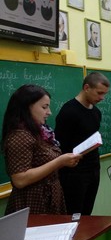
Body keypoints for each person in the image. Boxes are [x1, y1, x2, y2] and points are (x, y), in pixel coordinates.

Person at [2, 85, 81, 215]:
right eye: (44, 107)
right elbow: (20, 180)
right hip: (32, 202)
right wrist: (60, 161)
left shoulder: (40, 132)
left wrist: (64, 161)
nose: (49, 112)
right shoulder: (20, 136)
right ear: (27, 107)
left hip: (49, 197)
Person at [55, 72, 110, 215]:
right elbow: (59, 146)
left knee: (87, 213)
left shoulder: (96, 112)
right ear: (86, 88)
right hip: (73, 173)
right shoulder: (69, 111)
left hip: (93, 169)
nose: (102, 98)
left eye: (104, 94)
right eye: (99, 93)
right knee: (73, 214)